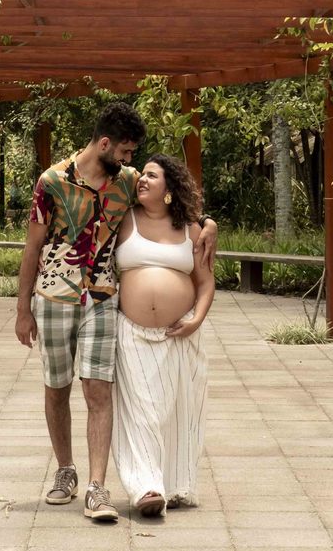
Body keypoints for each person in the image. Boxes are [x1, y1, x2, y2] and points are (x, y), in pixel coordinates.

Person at [15, 102, 215, 524]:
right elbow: (32, 247)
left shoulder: (125, 181)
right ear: (105, 144)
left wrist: (208, 221)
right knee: (57, 386)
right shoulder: (52, 182)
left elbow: (172, 202)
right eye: (125, 151)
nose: (130, 160)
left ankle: (97, 487)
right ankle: (65, 470)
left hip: (102, 298)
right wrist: (22, 310)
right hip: (53, 297)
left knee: (98, 390)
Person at [111, 153, 214, 517]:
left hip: (179, 334)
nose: (142, 179)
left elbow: (205, 282)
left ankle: (175, 484)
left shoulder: (192, 231)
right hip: (133, 332)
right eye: (142, 175)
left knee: (176, 412)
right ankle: (146, 487)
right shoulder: (124, 220)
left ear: (169, 189)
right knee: (142, 411)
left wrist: (197, 320)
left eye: (152, 176)